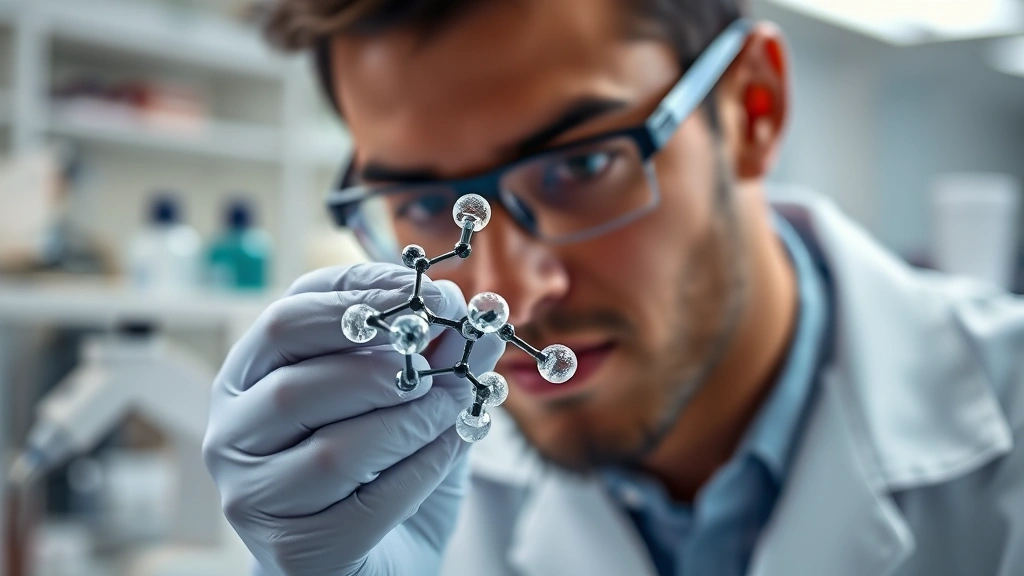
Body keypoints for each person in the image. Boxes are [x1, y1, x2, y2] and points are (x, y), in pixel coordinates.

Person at [201, 0, 1024, 574]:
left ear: (752, 108)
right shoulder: (407, 499)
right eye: (420, 203)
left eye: (582, 165)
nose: (506, 294)